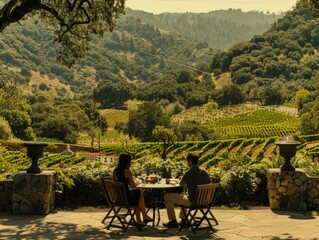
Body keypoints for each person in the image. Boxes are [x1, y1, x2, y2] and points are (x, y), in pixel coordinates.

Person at [163, 152, 211, 228]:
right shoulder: (205, 172)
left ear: (190, 162)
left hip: (192, 202)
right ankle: (183, 220)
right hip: (205, 201)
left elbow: (181, 184)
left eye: (187, 161)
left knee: (167, 196)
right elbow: (209, 184)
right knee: (184, 195)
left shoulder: (189, 172)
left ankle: (172, 221)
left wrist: (182, 179)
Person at [113, 153, 152, 227]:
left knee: (137, 199)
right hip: (126, 198)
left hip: (119, 197)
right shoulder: (127, 171)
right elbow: (133, 185)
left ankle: (140, 220)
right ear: (127, 162)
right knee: (139, 193)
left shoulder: (115, 170)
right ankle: (144, 216)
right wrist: (138, 182)